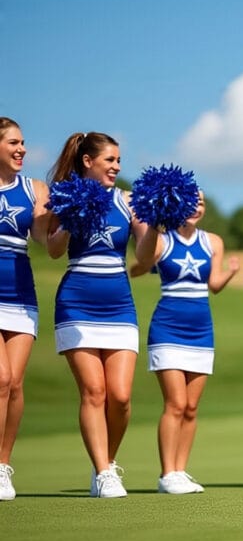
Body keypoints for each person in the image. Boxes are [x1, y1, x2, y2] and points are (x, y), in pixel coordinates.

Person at [46, 132, 153, 498]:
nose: (117, 167)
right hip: (76, 303)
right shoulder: (65, 197)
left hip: (119, 306)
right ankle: (105, 472)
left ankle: (105, 462)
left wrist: (154, 222)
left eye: (119, 160)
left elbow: (145, 256)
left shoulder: (127, 202)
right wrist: (70, 221)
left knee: (120, 396)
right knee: (94, 391)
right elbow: (54, 251)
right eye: (110, 160)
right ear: (88, 162)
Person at [130, 191, 239, 494]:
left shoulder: (213, 242)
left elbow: (213, 285)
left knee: (191, 407)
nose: (196, 207)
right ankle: (167, 474)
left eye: (201, 202)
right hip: (167, 328)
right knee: (175, 404)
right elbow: (139, 263)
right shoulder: (162, 240)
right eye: (190, 201)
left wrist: (231, 272)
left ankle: (180, 470)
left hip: (201, 331)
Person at [0, 118, 50, 501]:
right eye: (14, 142)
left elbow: (44, 238)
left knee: (15, 383)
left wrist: (67, 213)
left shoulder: (33, 189)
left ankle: (4, 466)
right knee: (1, 379)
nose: (22, 150)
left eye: (23, 142)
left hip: (21, 295)